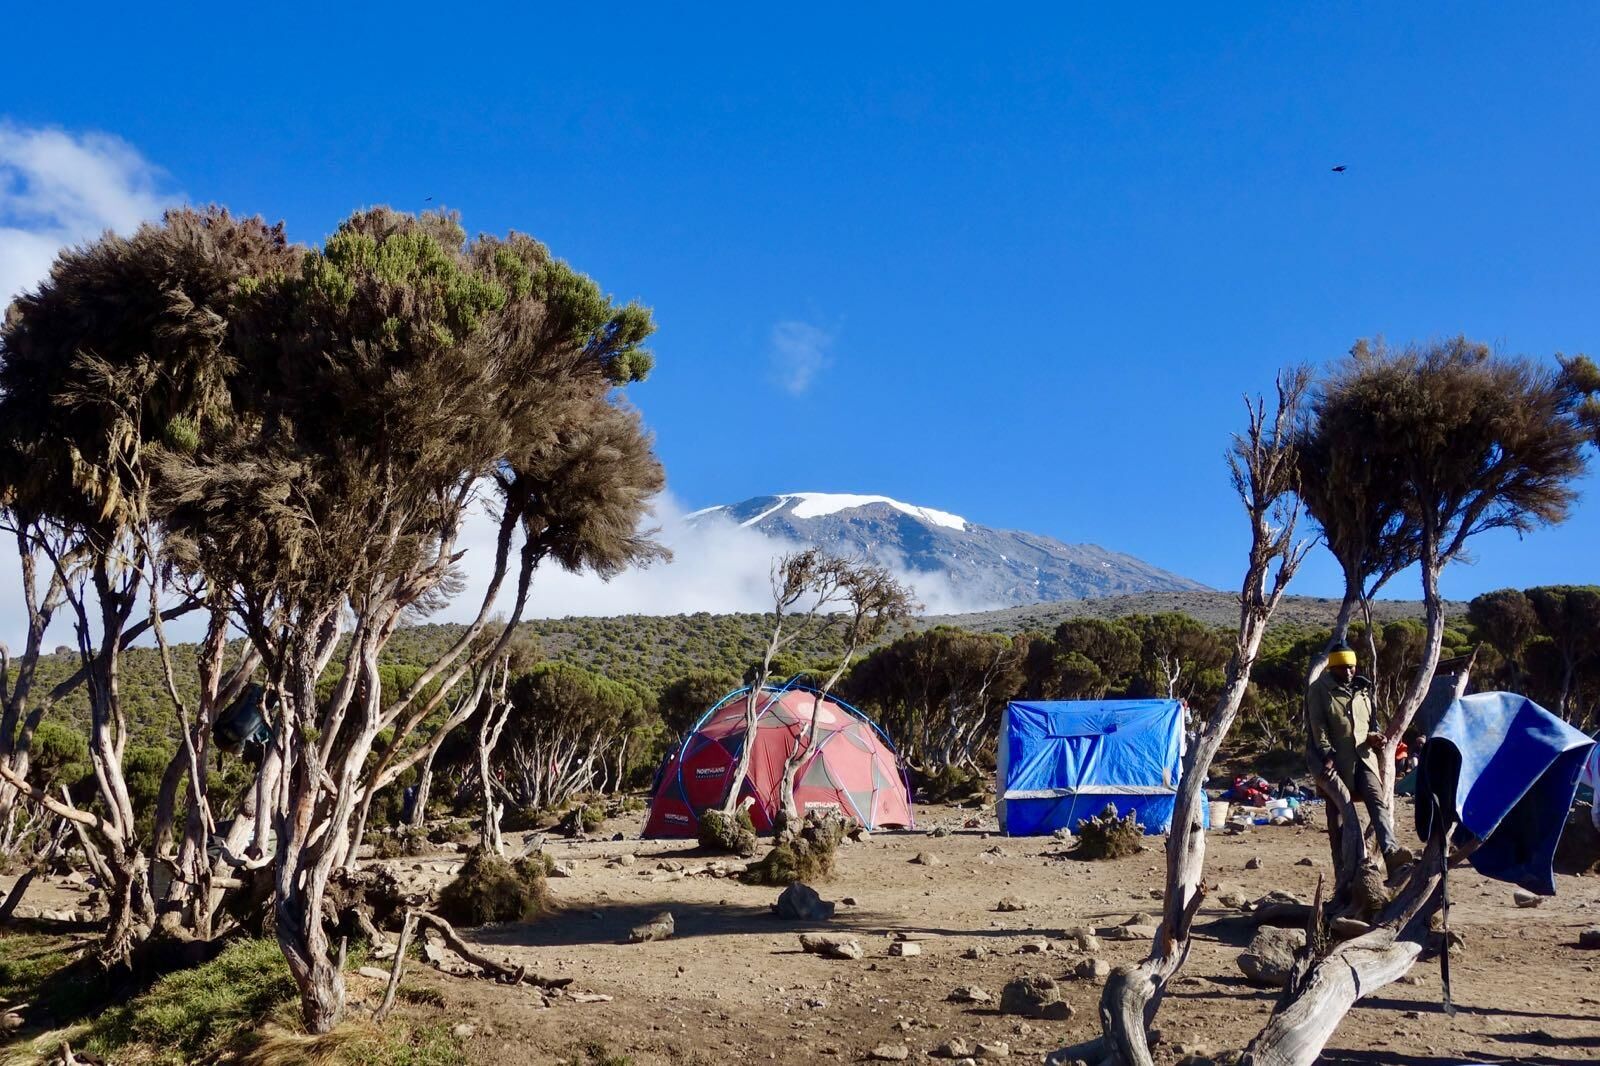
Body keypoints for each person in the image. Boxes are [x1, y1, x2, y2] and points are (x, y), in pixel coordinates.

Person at [1305, 643, 1415, 873]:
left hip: (1364, 758)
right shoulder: (1319, 690)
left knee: (1377, 802)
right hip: (1336, 763)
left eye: (1352, 667)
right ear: (1333, 667)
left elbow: (1371, 723)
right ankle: (1344, 870)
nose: (1349, 672)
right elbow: (1318, 727)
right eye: (1343, 667)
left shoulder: (1363, 689)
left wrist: (1375, 737)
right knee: (1338, 818)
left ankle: (1391, 854)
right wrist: (1327, 755)